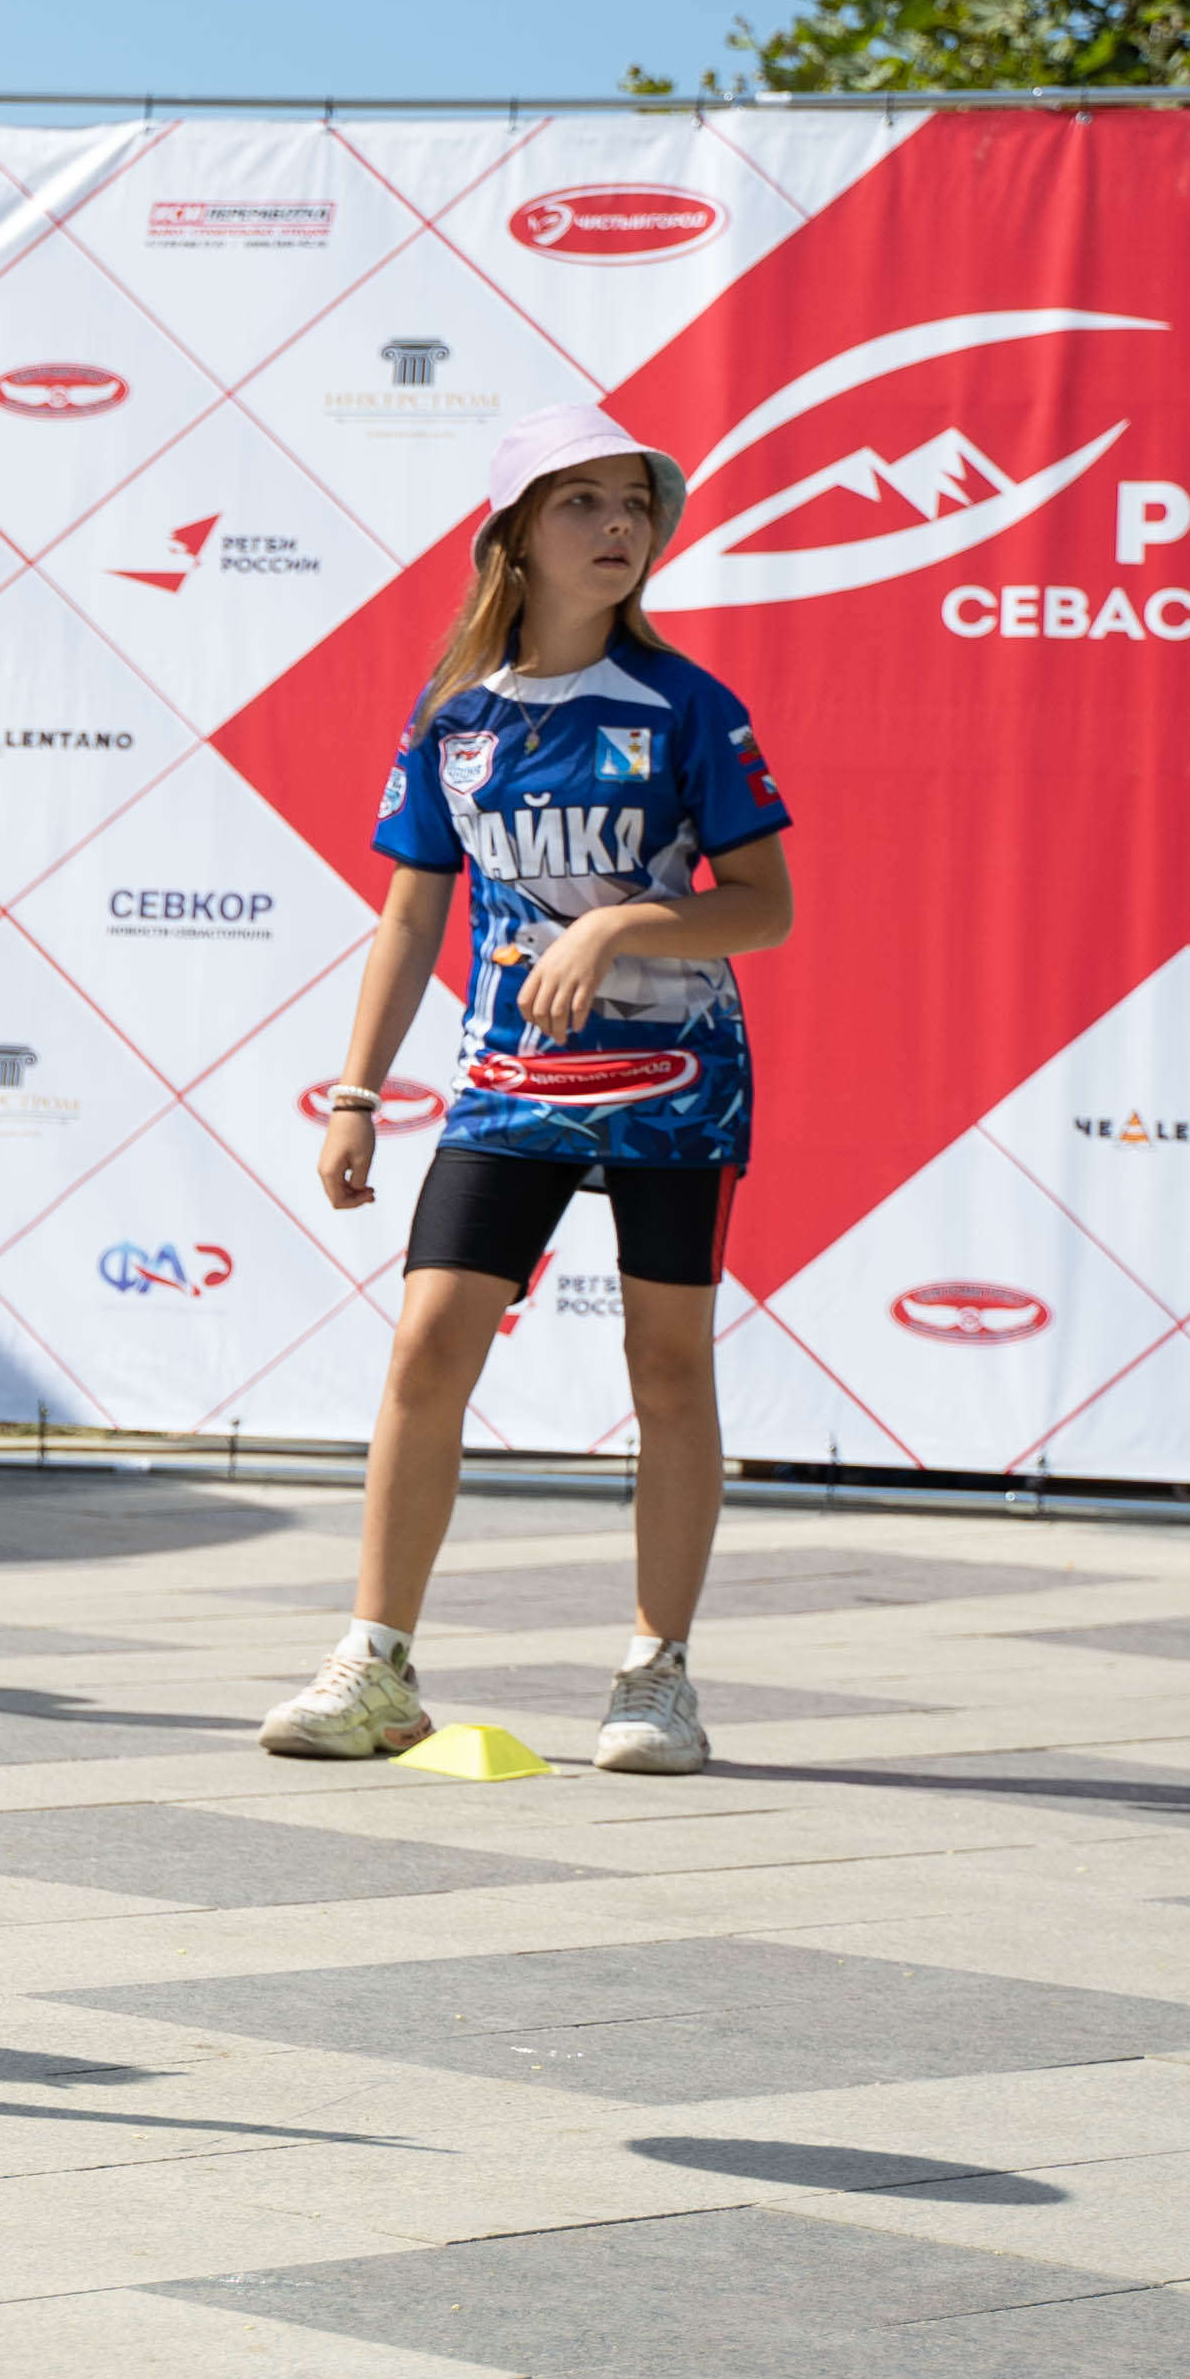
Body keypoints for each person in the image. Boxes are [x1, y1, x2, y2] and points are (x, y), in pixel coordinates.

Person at [277, 400, 801, 1778]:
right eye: (582, 503)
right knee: (427, 1345)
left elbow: (764, 910)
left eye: (635, 503)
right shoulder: (456, 720)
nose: (619, 526)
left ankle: (655, 1676)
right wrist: (352, 1094)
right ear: (512, 536)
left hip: (678, 1086)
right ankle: (375, 1667)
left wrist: (621, 924)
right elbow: (407, 918)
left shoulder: (691, 706)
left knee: (666, 1367)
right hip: (507, 1085)